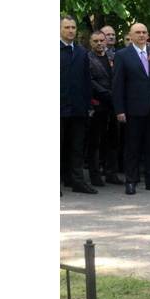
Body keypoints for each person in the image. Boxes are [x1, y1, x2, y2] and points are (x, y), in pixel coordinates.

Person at [112, 23, 150, 195]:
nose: (141, 35)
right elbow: (117, 85)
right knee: (132, 146)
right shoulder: (122, 55)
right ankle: (131, 180)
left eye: (144, 32)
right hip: (132, 109)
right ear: (130, 35)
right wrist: (119, 110)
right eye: (137, 32)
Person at [60, 16, 97, 194]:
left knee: (76, 147)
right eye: (67, 27)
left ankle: (77, 181)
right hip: (59, 107)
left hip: (78, 108)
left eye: (73, 27)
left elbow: (86, 80)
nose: (70, 31)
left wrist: (88, 104)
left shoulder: (82, 52)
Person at [86, 30, 122, 186]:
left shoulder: (113, 57)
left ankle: (111, 173)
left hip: (114, 106)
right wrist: (107, 94)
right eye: (96, 41)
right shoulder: (87, 58)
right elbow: (90, 80)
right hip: (98, 104)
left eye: (102, 40)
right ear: (90, 42)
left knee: (113, 140)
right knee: (95, 141)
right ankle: (95, 175)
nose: (99, 43)